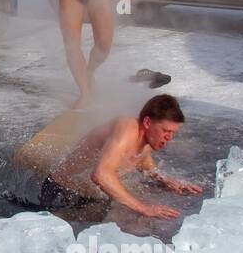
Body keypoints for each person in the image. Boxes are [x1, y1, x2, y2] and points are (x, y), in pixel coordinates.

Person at [28, 94, 202, 220]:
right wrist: (143, 208)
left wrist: (166, 180)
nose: (169, 138)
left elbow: (143, 162)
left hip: (86, 195)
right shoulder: (127, 129)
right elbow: (100, 175)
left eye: (173, 133)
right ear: (147, 123)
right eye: (166, 131)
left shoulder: (146, 140)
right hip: (60, 190)